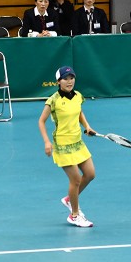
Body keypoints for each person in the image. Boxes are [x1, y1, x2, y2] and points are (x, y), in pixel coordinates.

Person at [38, 66, 96, 228]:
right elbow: (41, 121)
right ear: (58, 82)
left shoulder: (78, 96)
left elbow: (79, 112)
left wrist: (87, 126)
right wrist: (47, 142)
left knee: (90, 174)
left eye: (72, 78)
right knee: (76, 180)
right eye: (65, 78)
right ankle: (74, 215)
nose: (69, 81)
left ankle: (70, 199)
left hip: (78, 142)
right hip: (63, 145)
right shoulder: (53, 101)